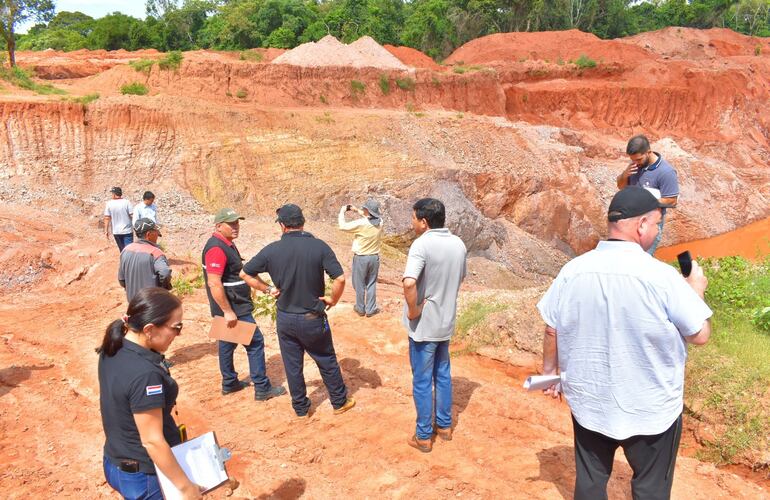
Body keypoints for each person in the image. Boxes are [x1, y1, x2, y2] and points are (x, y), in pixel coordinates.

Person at [537, 186, 712, 500]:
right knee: (650, 489)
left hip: (590, 404)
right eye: (657, 224)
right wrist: (695, 290)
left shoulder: (572, 271)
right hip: (651, 410)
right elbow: (699, 334)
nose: (658, 231)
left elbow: (552, 329)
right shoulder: (663, 277)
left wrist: (551, 376)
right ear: (641, 226)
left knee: (590, 483)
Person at [240, 204, 355, 418]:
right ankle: (339, 402)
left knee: (292, 365)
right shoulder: (319, 246)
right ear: (302, 223)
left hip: (285, 318)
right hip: (312, 318)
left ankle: (301, 409)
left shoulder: (271, 250)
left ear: (282, 226)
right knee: (326, 359)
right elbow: (339, 278)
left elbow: (245, 273)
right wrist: (333, 299)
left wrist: (267, 289)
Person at [98, 287, 202, 500]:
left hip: (115, 461)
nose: (178, 334)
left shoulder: (114, 346)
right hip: (145, 476)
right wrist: (186, 488)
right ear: (149, 329)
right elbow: (152, 441)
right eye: (176, 327)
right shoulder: (145, 375)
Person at [402, 198, 467, 453]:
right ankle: (445, 426)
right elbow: (460, 278)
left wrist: (413, 310)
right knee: (442, 374)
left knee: (421, 379)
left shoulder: (421, 245)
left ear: (424, 222)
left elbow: (409, 283)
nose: (412, 222)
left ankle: (423, 435)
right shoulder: (458, 244)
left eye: (414, 218)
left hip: (424, 326)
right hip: (445, 322)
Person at [201, 208, 286, 400]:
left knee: (227, 343)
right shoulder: (217, 248)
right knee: (255, 343)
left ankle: (229, 382)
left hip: (230, 306)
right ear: (218, 226)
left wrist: (266, 288)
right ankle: (262, 388)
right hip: (234, 307)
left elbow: (239, 273)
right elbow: (214, 282)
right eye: (231, 224)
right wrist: (227, 311)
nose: (236, 227)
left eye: (237, 223)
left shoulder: (226, 244)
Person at [616, 134, 679, 255]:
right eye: (632, 159)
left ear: (648, 152)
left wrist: (646, 202)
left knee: (643, 259)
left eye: (638, 159)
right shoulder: (635, 165)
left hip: (651, 224)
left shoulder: (666, 172)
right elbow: (620, 186)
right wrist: (625, 175)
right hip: (630, 221)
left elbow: (672, 200)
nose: (635, 162)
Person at [338, 199, 384, 317]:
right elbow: (369, 216)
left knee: (359, 284)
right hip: (374, 258)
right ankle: (371, 308)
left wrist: (342, 211)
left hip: (361, 258)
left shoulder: (361, 224)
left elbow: (342, 226)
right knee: (371, 283)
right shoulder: (381, 222)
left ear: (367, 210)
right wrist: (356, 210)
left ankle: (360, 308)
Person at [119, 218, 172, 302]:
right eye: (156, 233)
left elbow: (122, 280)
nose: (157, 236)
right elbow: (165, 273)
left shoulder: (126, 250)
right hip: (151, 304)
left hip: (133, 304)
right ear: (148, 234)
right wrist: (163, 289)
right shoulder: (155, 253)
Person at [105, 187, 134, 252]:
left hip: (116, 232)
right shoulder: (127, 202)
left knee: (122, 250)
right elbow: (132, 215)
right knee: (130, 251)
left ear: (114, 194)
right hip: (127, 231)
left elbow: (107, 218)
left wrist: (106, 231)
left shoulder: (109, 204)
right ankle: (129, 262)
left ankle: (123, 262)